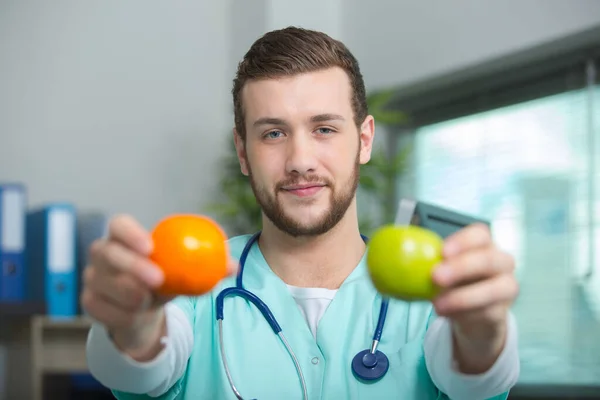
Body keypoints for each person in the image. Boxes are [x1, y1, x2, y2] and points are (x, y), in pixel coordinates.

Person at [83, 27, 521, 399]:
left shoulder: (434, 295)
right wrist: (134, 329)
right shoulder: (185, 286)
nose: (300, 160)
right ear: (243, 152)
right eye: (273, 133)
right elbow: (135, 366)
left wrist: (484, 334)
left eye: (324, 129)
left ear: (364, 140)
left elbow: (476, 375)